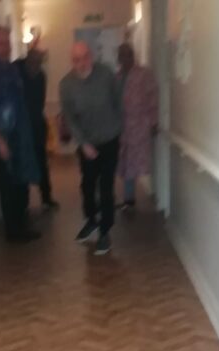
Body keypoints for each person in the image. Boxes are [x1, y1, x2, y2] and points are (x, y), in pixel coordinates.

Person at [60, 42, 123, 256]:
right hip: (86, 142)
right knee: (87, 185)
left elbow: (118, 101)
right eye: (77, 59)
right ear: (72, 61)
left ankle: (105, 231)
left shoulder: (106, 74)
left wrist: (118, 129)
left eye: (85, 57)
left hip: (109, 140)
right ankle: (92, 220)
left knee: (105, 187)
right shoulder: (66, 85)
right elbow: (69, 118)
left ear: (91, 56)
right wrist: (84, 143)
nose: (82, 63)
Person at [0, 28, 39, 242]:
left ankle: (22, 226)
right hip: (3, 138)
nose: (5, 47)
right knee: (8, 185)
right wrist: (0, 142)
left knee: (21, 182)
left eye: (7, 42)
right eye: (1, 43)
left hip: (20, 138)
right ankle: (13, 232)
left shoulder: (12, 69)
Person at [117, 43, 158, 210]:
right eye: (122, 55)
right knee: (125, 162)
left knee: (134, 163)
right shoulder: (117, 77)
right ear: (118, 58)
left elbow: (153, 98)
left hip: (139, 126)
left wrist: (154, 122)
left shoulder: (144, 74)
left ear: (133, 56)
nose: (126, 58)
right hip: (122, 127)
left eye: (128, 54)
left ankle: (130, 198)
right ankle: (128, 198)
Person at [16, 47, 58, 211]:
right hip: (21, 127)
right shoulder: (17, 72)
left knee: (41, 162)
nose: (36, 66)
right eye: (33, 62)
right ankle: (24, 202)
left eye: (39, 63)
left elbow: (40, 101)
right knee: (23, 163)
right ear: (27, 60)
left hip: (36, 125)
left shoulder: (41, 76)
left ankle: (46, 197)